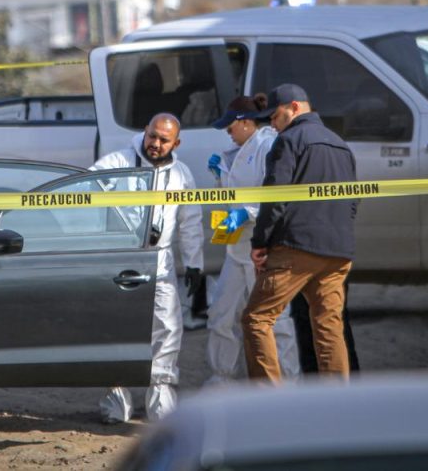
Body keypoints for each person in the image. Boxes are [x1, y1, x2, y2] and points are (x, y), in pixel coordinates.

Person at [92, 113, 204, 423]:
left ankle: (160, 406)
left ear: (176, 143)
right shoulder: (117, 161)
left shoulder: (182, 175)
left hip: (160, 260)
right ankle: (115, 404)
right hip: (120, 258)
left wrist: (195, 264)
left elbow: (190, 222)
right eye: (152, 135)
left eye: (163, 139)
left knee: (166, 330)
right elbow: (85, 190)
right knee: (115, 328)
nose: (155, 143)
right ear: (145, 130)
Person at [243, 83, 358, 380]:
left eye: (275, 115)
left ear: (294, 107)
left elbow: (275, 197)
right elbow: (353, 199)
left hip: (296, 249)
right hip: (338, 252)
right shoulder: (340, 144)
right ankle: (339, 411)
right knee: (329, 327)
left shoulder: (289, 140)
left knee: (256, 319)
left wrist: (260, 242)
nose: (271, 122)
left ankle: (271, 407)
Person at [206, 94, 300, 384]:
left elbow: (274, 197)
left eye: (230, 127)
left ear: (245, 123)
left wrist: (244, 213)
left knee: (275, 320)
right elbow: (237, 191)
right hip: (237, 250)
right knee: (221, 315)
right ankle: (222, 380)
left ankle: (286, 386)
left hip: (263, 250)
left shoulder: (268, 145)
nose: (228, 133)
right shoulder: (242, 148)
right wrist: (221, 175)